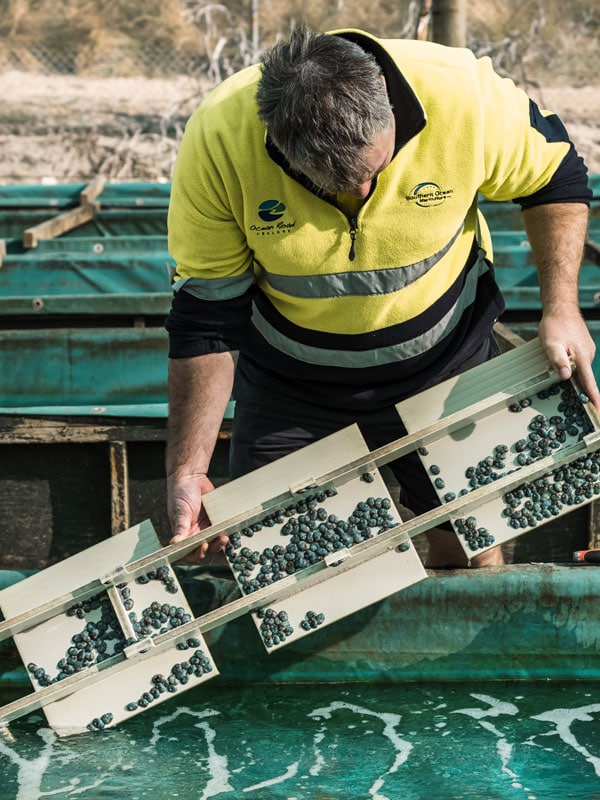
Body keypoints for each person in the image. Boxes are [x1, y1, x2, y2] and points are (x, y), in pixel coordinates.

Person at [165, 24, 599, 568]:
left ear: (391, 112)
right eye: (333, 185)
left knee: (469, 553)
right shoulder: (220, 139)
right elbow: (206, 318)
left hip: (448, 364)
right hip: (292, 386)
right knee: (295, 576)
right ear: (278, 144)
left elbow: (555, 177)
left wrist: (562, 309)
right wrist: (188, 468)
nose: (362, 194)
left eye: (373, 172)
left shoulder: (461, 94)